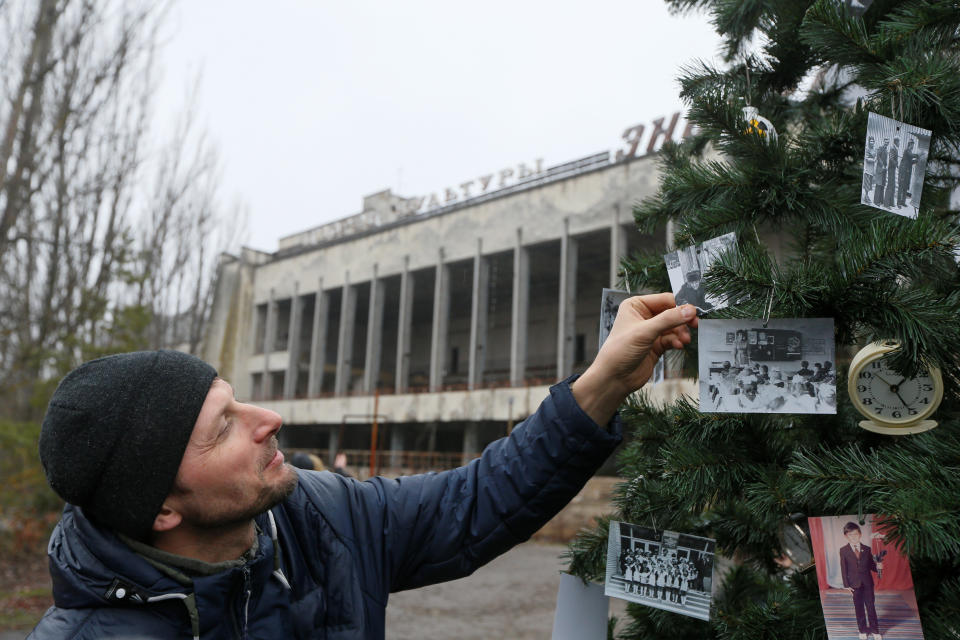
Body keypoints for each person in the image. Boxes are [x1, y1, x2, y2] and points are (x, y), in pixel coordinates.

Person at [28, 293, 698, 639]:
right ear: (163, 509)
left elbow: (480, 499)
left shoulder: (321, 517)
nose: (270, 420)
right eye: (224, 427)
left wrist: (604, 382)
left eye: (237, 398)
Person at [839, 521, 884, 640]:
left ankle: (875, 630)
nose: (853, 537)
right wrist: (846, 585)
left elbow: (871, 565)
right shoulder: (843, 550)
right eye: (850, 535)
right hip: (854, 584)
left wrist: (878, 567)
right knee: (858, 608)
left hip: (867, 583)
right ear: (846, 536)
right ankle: (862, 630)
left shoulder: (867, 549)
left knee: (870, 607)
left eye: (855, 534)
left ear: (860, 534)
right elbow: (844, 569)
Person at [897, 137, 917, 208]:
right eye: (912, 145)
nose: (913, 146)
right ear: (909, 144)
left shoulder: (910, 151)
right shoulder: (907, 150)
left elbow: (910, 162)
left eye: (913, 145)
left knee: (905, 188)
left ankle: (903, 202)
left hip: (907, 173)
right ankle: (898, 203)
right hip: (903, 172)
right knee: (901, 187)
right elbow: (911, 156)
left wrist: (917, 161)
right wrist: (919, 155)